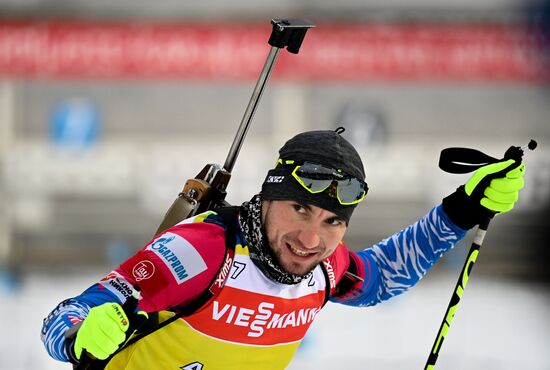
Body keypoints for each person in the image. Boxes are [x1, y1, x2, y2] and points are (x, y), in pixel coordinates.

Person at [41, 128, 525, 370]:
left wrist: (460, 212)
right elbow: (64, 317)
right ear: (268, 196)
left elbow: (380, 278)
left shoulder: (322, 265)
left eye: (332, 221)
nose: (311, 240)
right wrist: (81, 333)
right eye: (298, 210)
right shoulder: (204, 249)